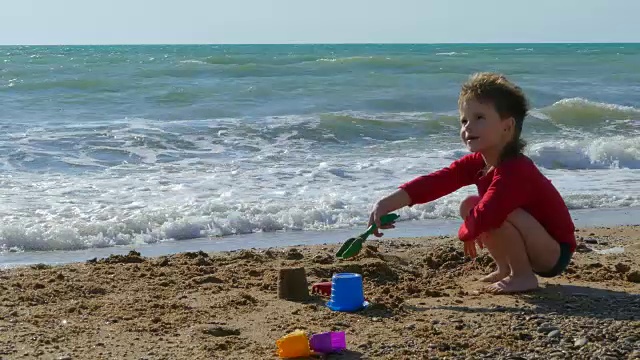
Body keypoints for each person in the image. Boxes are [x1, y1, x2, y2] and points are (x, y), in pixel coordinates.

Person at [368, 72, 576, 294]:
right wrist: (387, 203)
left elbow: (490, 213)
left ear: (507, 127)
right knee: (469, 204)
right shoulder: (479, 163)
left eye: (479, 118)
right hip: (530, 239)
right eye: (464, 120)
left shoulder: (516, 169)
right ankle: (505, 268)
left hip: (552, 253)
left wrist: (467, 232)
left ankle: (523, 276)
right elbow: (437, 182)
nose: (468, 126)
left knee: (492, 211)